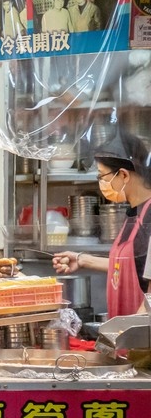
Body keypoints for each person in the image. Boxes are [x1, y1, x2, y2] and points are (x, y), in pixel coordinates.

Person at [53, 131, 151, 317]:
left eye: (102, 176)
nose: (101, 184)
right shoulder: (134, 213)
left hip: (141, 338)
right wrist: (82, 259)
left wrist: (127, 331)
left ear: (123, 174)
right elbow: (131, 266)